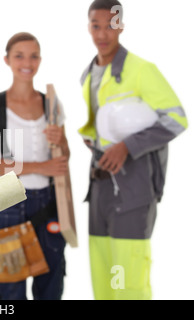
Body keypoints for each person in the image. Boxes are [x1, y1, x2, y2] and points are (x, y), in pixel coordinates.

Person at [80, 0, 188, 300]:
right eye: (96, 25)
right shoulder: (87, 75)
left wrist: (127, 146)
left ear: (121, 26)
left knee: (127, 284)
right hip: (99, 191)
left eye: (110, 25)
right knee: (103, 282)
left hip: (133, 192)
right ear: (88, 27)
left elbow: (178, 119)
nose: (103, 33)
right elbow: (98, 127)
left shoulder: (142, 70)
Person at [0, 32, 68, 300]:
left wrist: (60, 141)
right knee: (10, 291)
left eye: (33, 55)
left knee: (51, 288)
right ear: (7, 60)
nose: (27, 62)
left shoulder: (51, 103)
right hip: (7, 205)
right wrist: (42, 166)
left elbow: (63, 160)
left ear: (40, 60)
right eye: (19, 55)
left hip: (49, 205)